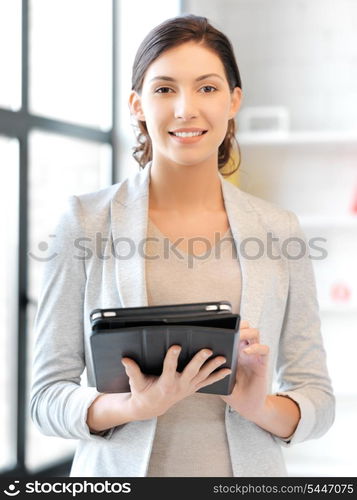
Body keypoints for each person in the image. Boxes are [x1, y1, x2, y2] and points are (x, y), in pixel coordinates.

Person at [30, 14, 335, 477]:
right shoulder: (84, 222)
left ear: (234, 100)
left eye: (208, 88)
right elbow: (45, 398)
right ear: (137, 104)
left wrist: (259, 405)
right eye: (165, 89)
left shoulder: (279, 231)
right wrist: (131, 407)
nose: (185, 109)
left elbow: (317, 398)